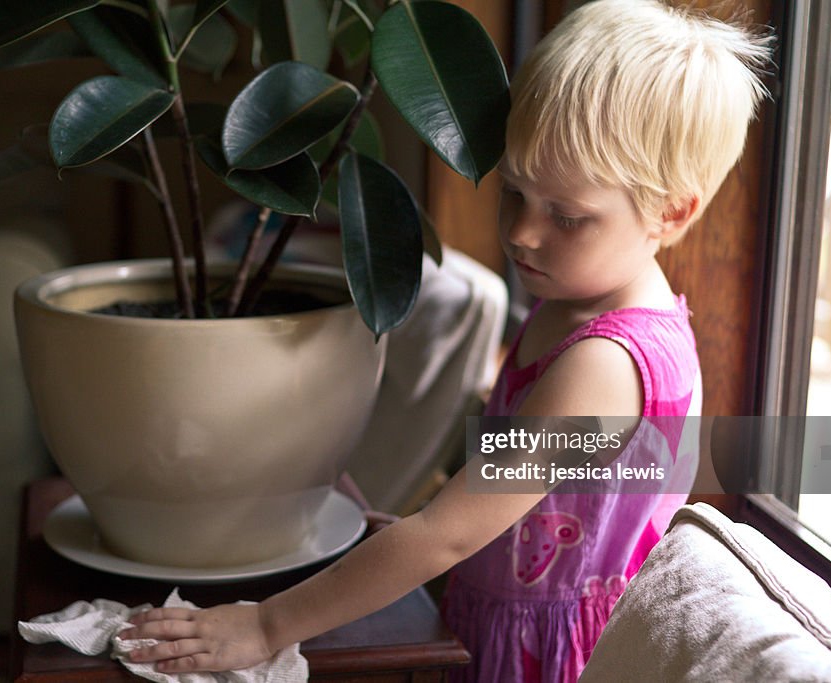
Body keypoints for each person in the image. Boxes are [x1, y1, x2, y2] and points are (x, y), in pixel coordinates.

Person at [118, 1, 772, 680]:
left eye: (567, 215)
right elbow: (508, 511)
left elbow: (449, 533)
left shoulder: (604, 367)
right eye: (512, 192)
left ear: (673, 211)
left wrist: (265, 623)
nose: (520, 232)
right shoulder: (570, 307)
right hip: (490, 621)